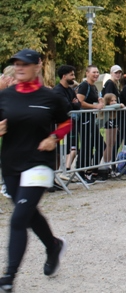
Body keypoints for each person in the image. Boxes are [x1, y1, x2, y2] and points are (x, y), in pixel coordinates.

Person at [0, 49, 71, 291]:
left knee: (19, 218)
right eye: (16, 64)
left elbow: (66, 122)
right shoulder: (5, 96)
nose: (19, 68)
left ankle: (8, 278)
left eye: (25, 64)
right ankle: (53, 246)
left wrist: (54, 137)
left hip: (39, 163)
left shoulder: (49, 97)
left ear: (37, 66)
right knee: (29, 214)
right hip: (11, 164)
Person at [76, 65, 106, 183]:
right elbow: (79, 102)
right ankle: (81, 172)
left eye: (97, 72)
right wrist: (95, 106)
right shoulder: (84, 85)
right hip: (84, 118)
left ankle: (91, 170)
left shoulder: (94, 86)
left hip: (91, 118)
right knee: (86, 145)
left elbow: (95, 101)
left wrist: (100, 102)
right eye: (94, 72)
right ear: (87, 73)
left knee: (100, 144)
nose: (96, 74)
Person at [52, 65, 81, 179]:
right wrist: (73, 103)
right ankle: (54, 176)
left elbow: (78, 105)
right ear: (64, 76)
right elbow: (67, 107)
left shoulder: (70, 90)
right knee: (57, 152)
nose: (74, 77)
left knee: (67, 149)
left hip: (68, 124)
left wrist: (74, 104)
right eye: (71, 75)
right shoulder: (57, 91)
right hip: (57, 126)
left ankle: (60, 174)